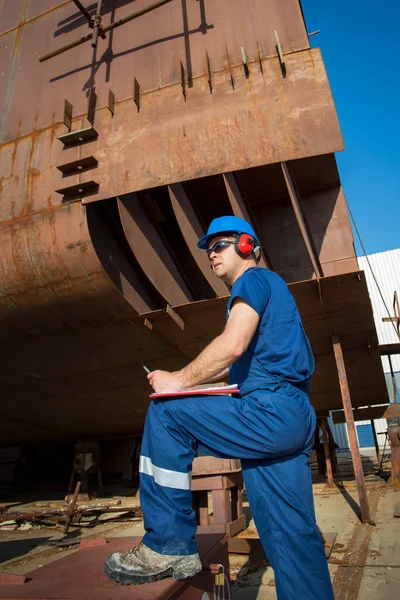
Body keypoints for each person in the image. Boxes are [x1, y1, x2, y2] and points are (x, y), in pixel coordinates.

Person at [104, 216, 334, 599]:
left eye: (219, 244)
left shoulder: (253, 280)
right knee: (289, 535)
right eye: (208, 249)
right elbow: (235, 366)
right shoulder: (272, 291)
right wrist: (187, 381)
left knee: (166, 412)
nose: (211, 254)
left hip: (269, 412)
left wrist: (176, 383)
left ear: (247, 245)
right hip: (288, 418)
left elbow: (233, 344)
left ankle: (167, 545)